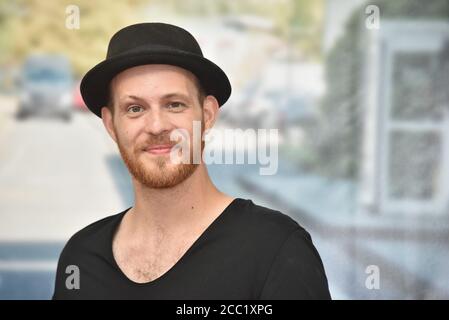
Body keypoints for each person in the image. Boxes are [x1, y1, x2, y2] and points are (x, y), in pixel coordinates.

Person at [52, 22, 331, 300]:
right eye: (135, 109)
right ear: (111, 125)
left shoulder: (276, 250)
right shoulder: (81, 258)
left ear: (208, 114)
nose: (157, 125)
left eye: (174, 104)